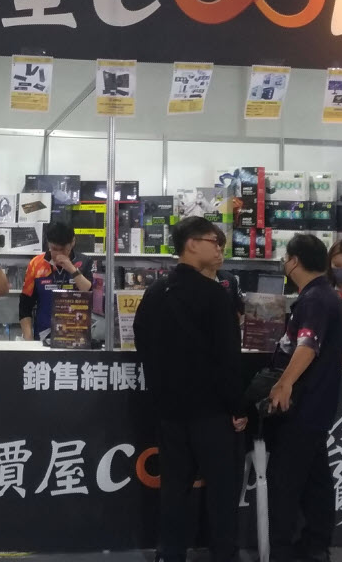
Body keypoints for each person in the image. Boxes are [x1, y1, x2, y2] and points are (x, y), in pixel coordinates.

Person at [133, 217, 247, 562]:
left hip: (169, 411)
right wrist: (238, 407)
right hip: (211, 412)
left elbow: (142, 342)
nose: (220, 249)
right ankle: (224, 554)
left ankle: (170, 553)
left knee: (174, 490)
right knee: (222, 491)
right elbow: (229, 358)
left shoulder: (155, 293)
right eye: (215, 241)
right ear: (192, 244)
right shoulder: (215, 295)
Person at [265, 233, 342, 562]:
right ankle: (315, 544)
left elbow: (307, 345)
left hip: (302, 405)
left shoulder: (314, 299)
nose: (284, 263)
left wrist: (284, 383)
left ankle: (281, 550)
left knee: (285, 480)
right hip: (318, 404)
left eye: (286, 258)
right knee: (316, 479)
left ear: (295, 261)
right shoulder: (327, 296)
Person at [19, 221, 94, 341]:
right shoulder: (35, 264)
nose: (58, 254)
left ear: (73, 242)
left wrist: (71, 268)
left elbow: (89, 294)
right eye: (54, 249)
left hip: (76, 336)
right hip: (43, 336)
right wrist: (29, 339)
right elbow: (25, 306)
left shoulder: (85, 262)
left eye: (63, 249)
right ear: (48, 243)